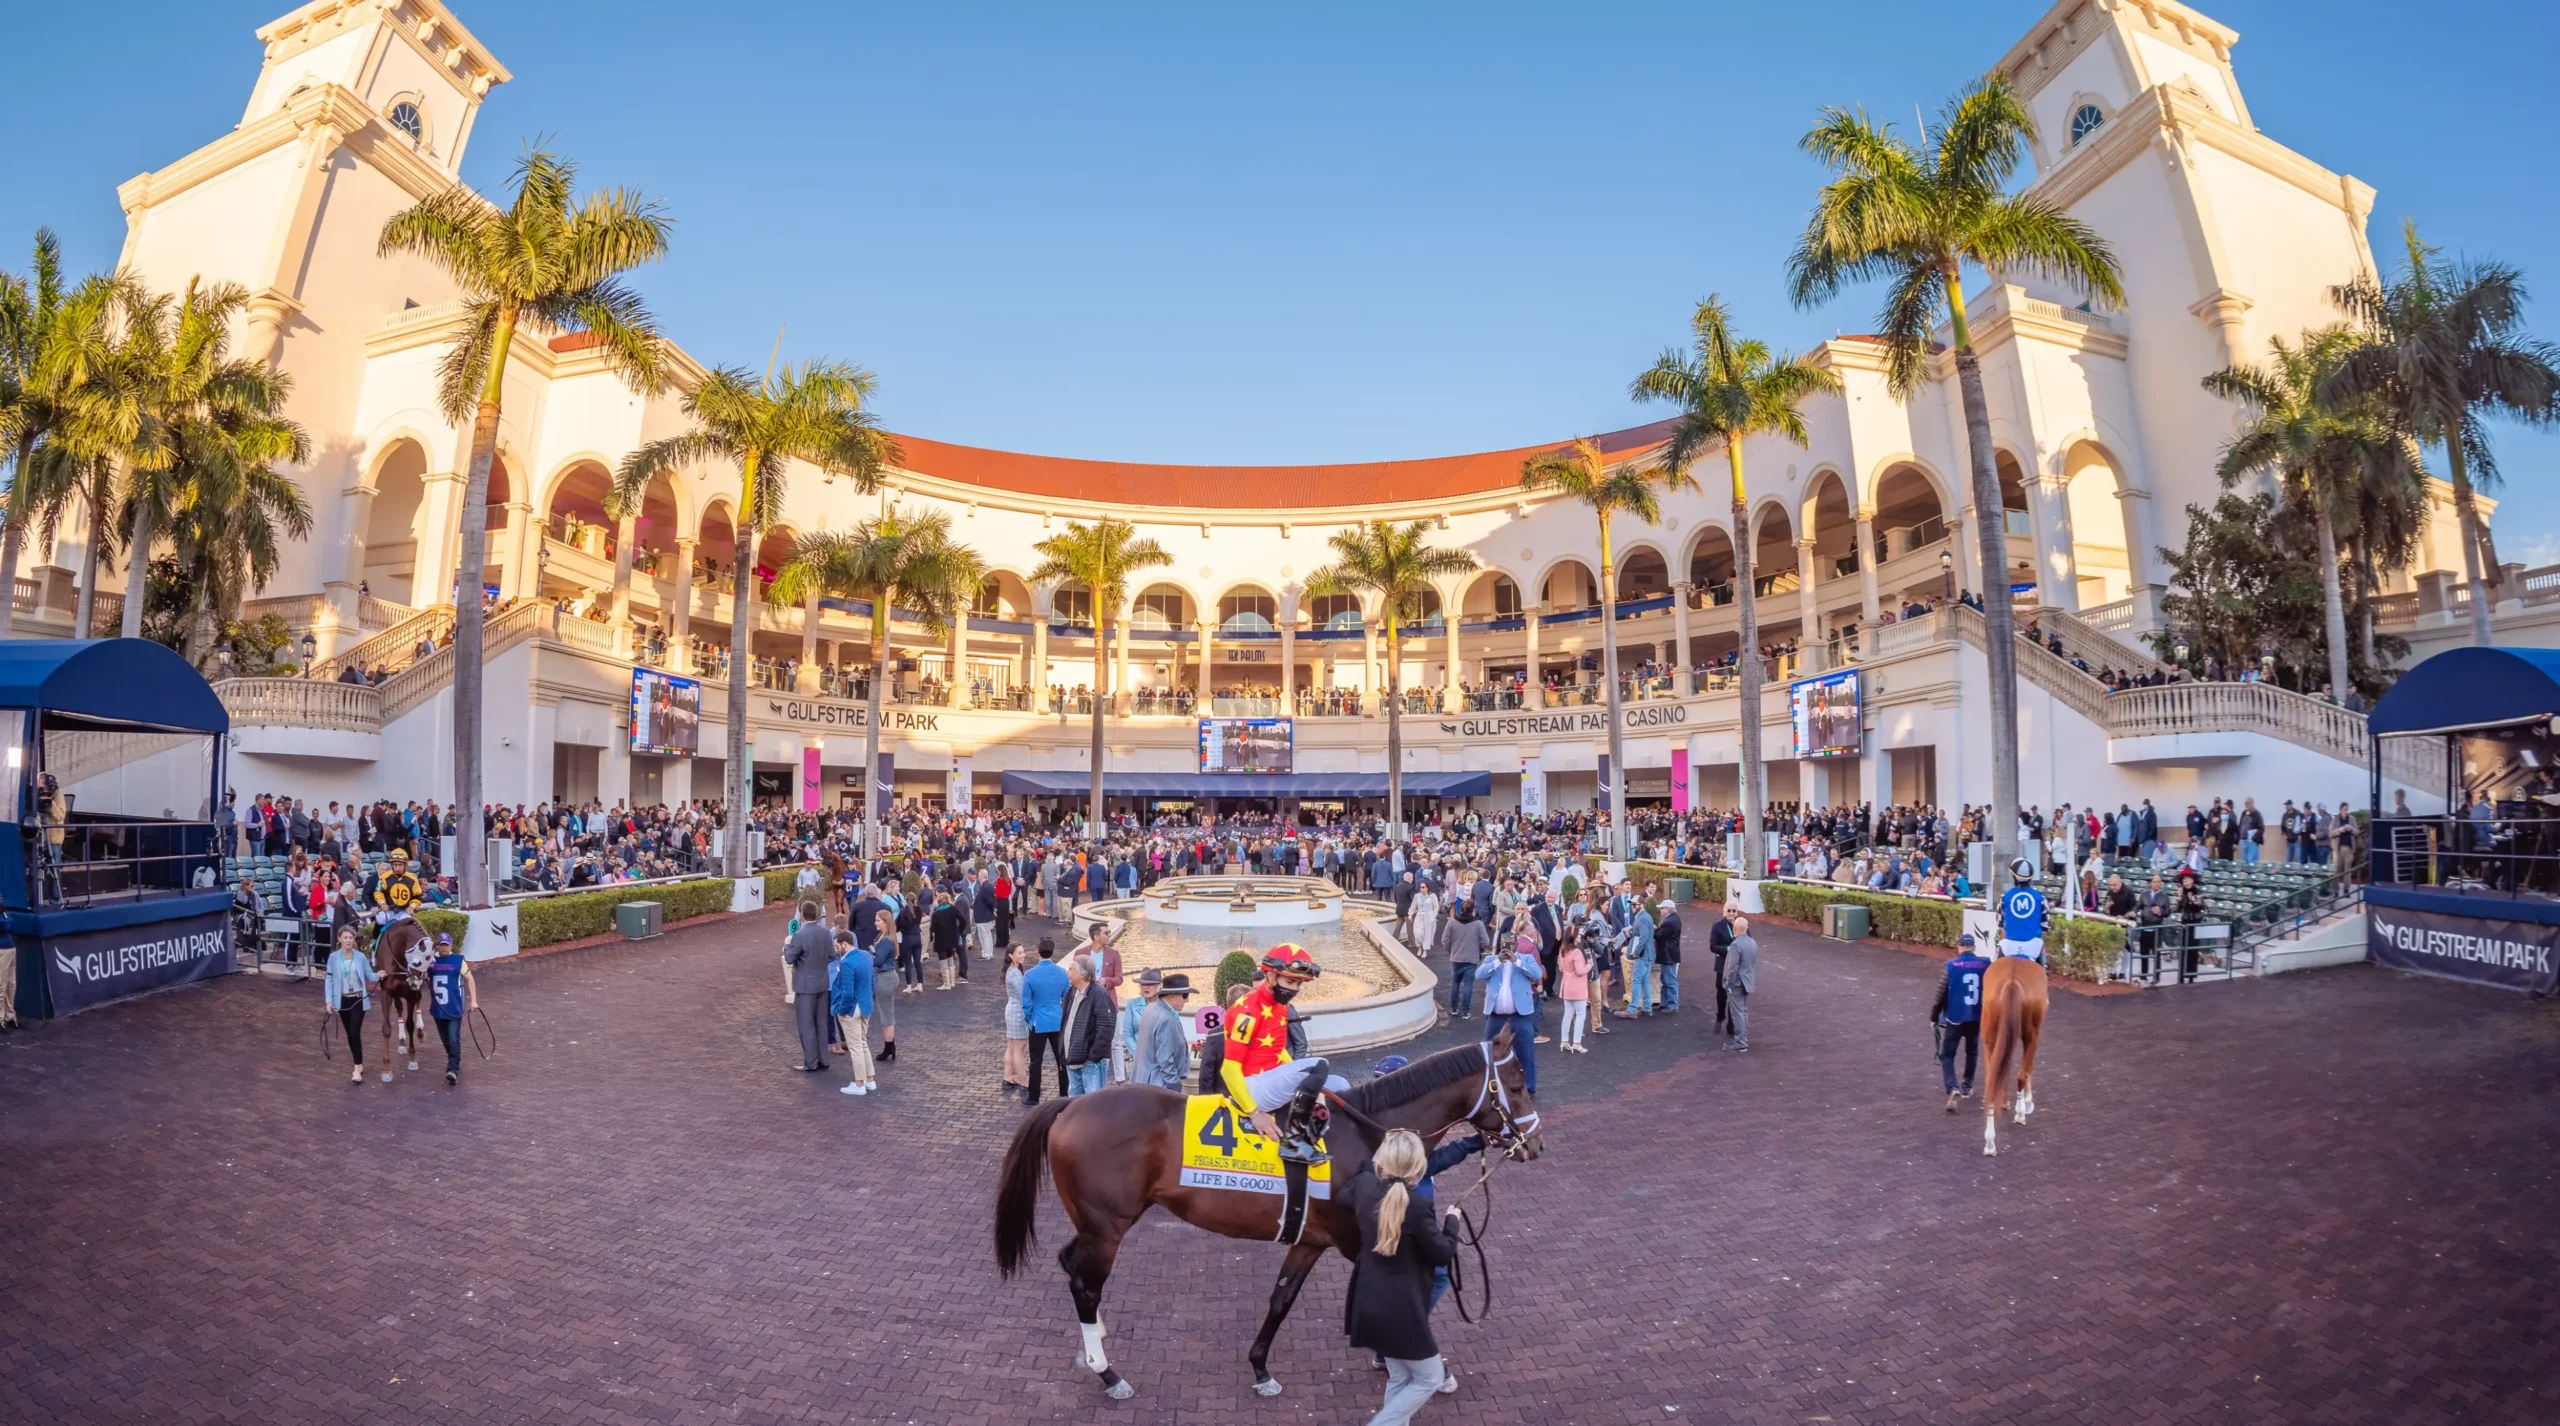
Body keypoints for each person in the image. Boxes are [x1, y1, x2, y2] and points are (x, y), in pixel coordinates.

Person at [1342, 1128, 1460, 1423]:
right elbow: (1443, 1253)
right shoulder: (1418, 1206)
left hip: (1368, 1301)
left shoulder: (1366, 1186)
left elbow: (1344, 1196)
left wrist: (1367, 1166)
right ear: (1417, 1167)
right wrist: (1452, 1222)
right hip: (1402, 1311)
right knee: (1429, 1378)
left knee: (1400, 1377)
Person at [1219, 945, 1337, 1163]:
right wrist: (1255, 1114)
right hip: (1250, 1088)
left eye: (1299, 984)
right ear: (1271, 975)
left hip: (1266, 1080)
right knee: (1319, 1065)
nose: (1295, 989)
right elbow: (1229, 1068)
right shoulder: (1246, 1009)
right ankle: (1292, 1145)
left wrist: (1300, 1077)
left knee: (1327, 1084)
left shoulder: (1279, 1004)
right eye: (1290, 982)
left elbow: (1276, 1050)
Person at [1474, 929, 1543, 1093]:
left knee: (1526, 1054)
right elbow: (1479, 974)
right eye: (1505, 942)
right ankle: (1491, 1086)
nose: (1508, 945)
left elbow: (1537, 973)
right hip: (1496, 1017)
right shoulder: (1491, 960)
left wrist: (1517, 961)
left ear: (1516, 944)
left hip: (1520, 1017)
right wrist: (1498, 961)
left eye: (1511, 942)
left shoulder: (1526, 958)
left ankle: (1529, 1088)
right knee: (1489, 1053)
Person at [1931, 933, 1990, 1110]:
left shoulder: (1950, 966)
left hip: (1955, 1017)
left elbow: (1939, 995)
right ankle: (1967, 1086)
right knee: (1971, 1052)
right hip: (1976, 1016)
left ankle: (1952, 1086)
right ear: (1973, 948)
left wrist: (1933, 1017)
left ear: (1960, 947)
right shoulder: (1986, 964)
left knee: (1948, 1054)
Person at [781, 901, 837, 1073]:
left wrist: (787, 946)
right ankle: (823, 1060)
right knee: (821, 1023)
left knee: (807, 1025)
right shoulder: (826, 933)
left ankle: (810, 1062)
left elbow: (790, 958)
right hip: (822, 984)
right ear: (818, 914)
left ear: (802, 915)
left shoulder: (799, 935)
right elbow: (832, 955)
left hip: (805, 986)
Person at [829, 912, 880, 1097]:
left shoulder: (847, 963)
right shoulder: (866, 956)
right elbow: (872, 982)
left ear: (844, 944)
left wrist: (841, 1011)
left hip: (852, 1008)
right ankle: (869, 1080)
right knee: (863, 1043)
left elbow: (847, 992)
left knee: (855, 1047)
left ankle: (859, 1084)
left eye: (837, 946)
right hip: (866, 1005)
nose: (836, 950)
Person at [322, 925, 380, 1086]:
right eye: (345, 938)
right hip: (342, 1000)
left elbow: (369, 975)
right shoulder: (333, 958)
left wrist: (379, 975)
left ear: (354, 940)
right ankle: (359, 1062)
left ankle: (356, 1068)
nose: (348, 940)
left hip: (358, 999)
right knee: (350, 1034)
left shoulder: (360, 957)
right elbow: (330, 979)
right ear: (340, 939)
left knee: (354, 1032)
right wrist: (329, 1001)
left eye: (351, 938)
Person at [1020, 941, 1071, 1104]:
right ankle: (1065, 1093)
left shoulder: (1030, 974)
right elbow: (1067, 997)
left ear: (1038, 952)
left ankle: (1033, 1096)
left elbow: (1026, 1003)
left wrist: (1030, 1018)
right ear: (1053, 952)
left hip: (1038, 1021)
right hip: (1058, 1021)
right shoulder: (1062, 973)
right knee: (1061, 1059)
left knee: (1036, 1061)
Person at [424, 931, 476, 1086]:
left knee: (453, 1038)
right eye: (441, 944)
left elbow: (469, 979)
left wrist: (474, 1001)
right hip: (438, 1008)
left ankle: (453, 1069)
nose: (444, 947)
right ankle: (453, 1059)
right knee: (445, 1039)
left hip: (454, 1007)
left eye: (446, 945)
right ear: (437, 945)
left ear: (451, 945)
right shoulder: (431, 960)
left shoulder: (458, 960)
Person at [1061, 954, 1116, 1096]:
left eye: (1071, 969)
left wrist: (1093, 1057)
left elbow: (1106, 1028)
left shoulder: (1099, 994)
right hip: (1072, 1059)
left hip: (1091, 1063)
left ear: (1082, 974)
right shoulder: (1071, 992)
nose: (1067, 972)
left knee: (1094, 1107)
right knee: (1074, 1105)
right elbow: (1066, 1022)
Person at [1136, 973, 1194, 1092]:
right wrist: (1175, 1086)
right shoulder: (1166, 1019)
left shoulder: (1151, 1008)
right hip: (1158, 1087)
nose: (1187, 999)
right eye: (1185, 995)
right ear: (1173, 996)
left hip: (1144, 1083)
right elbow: (1165, 1060)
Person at [1443, 891, 1485, 1019]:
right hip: (1472, 959)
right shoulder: (1478, 924)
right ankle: (1465, 1011)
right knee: (1468, 985)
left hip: (1456, 958)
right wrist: (1479, 950)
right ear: (1473, 910)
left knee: (1455, 983)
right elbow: (1485, 941)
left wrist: (1451, 951)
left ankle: (1454, 1009)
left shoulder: (1451, 922)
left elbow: (1445, 940)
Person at [1997, 857, 2047, 964]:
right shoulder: (2040, 898)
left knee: (1995, 965)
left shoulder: (2004, 897)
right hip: (2033, 948)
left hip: (2009, 947)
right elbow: (2046, 926)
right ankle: (2044, 971)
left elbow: (2000, 924)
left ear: (2014, 877)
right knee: (2041, 944)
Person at [1721, 913, 1758, 1053]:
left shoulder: (1736, 945)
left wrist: (1727, 984)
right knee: (1743, 1011)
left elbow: (1732, 968)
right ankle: (1742, 1039)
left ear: (1735, 929)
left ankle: (1740, 1042)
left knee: (1737, 1013)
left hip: (1736, 983)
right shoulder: (1752, 942)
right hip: (1747, 982)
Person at [1002, 944, 1034, 1097]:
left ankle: (1007, 1077)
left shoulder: (1012, 971)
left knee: (1011, 1047)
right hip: (1017, 1012)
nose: (1023, 955)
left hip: (1012, 1010)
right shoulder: (1015, 973)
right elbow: (1024, 996)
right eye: (1020, 953)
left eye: (1023, 952)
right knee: (1018, 1050)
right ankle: (1024, 1082)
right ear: (1011, 955)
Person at [1555, 925, 1591, 1053]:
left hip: (1566, 986)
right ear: (1573, 937)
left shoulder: (1563, 950)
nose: (1580, 936)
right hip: (1578, 988)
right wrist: (1589, 966)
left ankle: (1564, 1041)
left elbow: (1560, 968)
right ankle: (1576, 1043)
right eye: (1578, 935)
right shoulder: (1576, 952)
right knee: (1581, 1015)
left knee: (1567, 1014)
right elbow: (1580, 971)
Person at [1654, 898, 1682, 1012]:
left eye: (1662, 908)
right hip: (1669, 954)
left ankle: (1672, 1004)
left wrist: (1653, 930)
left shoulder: (1670, 922)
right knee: (1666, 979)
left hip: (1668, 955)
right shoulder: (1673, 919)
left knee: (1669, 980)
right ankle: (1665, 1003)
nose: (1660, 910)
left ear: (1667, 909)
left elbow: (1659, 935)